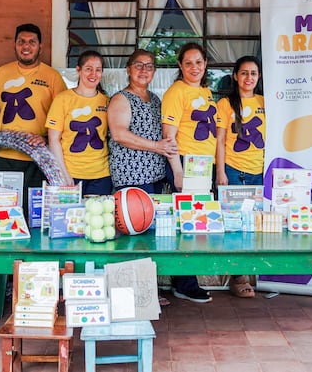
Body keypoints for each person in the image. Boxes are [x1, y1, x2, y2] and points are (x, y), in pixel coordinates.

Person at [108, 49, 179, 306]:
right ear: (128, 69)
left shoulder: (157, 99)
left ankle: (147, 290)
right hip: (132, 177)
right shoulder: (121, 99)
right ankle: (133, 293)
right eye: (138, 65)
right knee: (132, 237)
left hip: (155, 177)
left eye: (149, 66)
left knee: (149, 236)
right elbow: (119, 134)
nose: (143, 70)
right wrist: (157, 147)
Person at [0, 23, 66, 212]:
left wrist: (45, 138)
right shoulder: (1, 73)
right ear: (15, 45)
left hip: (38, 158)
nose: (26, 46)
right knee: (4, 213)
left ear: (40, 46)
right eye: (21, 42)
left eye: (32, 42)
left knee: (35, 214)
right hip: (3, 156)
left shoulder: (52, 77)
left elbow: (63, 115)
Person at [161, 42, 220, 303]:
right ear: (180, 66)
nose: (194, 67)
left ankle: (185, 280)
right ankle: (185, 283)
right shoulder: (176, 92)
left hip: (204, 165)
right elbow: (168, 137)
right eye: (188, 63)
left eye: (198, 62)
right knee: (188, 223)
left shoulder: (206, 91)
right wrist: (177, 171)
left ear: (205, 64)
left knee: (197, 222)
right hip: (187, 164)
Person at [216, 55, 266, 298]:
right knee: (234, 226)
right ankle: (238, 278)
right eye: (244, 73)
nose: (249, 78)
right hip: (234, 171)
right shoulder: (225, 104)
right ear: (235, 76)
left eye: (253, 73)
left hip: (260, 172)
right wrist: (221, 171)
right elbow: (220, 140)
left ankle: (254, 272)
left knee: (255, 226)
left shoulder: (266, 102)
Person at [45, 50, 113, 196]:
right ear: (78, 70)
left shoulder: (107, 101)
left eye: (98, 70)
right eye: (88, 69)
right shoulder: (63, 99)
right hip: (71, 173)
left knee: (98, 217)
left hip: (101, 174)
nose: (93, 74)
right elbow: (53, 139)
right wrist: (63, 173)